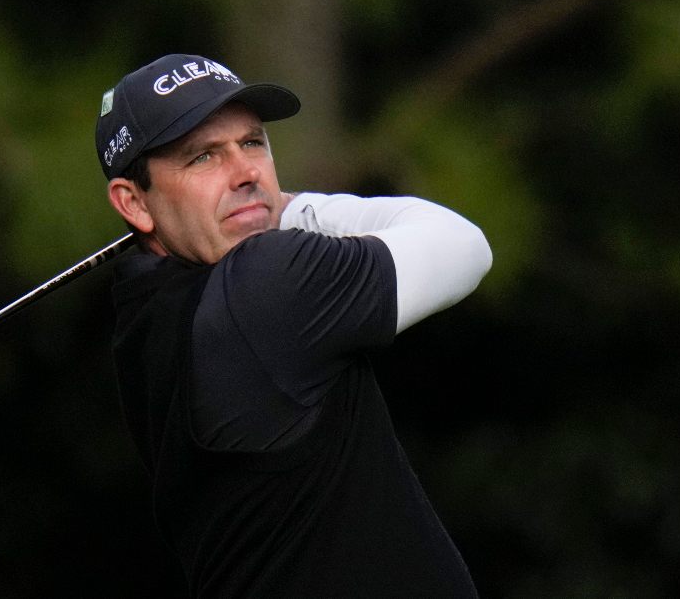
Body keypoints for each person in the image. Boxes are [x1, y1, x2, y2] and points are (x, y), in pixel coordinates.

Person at [96, 53, 492, 598]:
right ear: (134, 203)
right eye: (203, 157)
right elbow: (464, 245)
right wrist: (297, 208)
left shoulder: (139, 317)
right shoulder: (264, 287)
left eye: (253, 143)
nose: (246, 173)